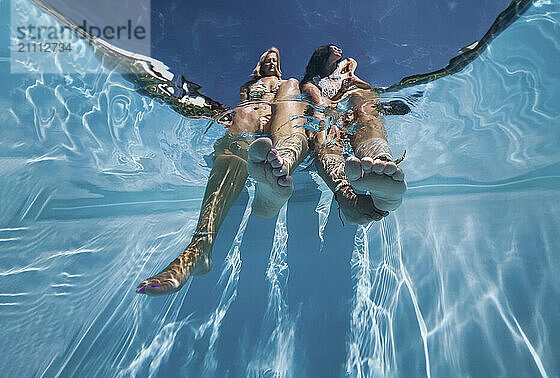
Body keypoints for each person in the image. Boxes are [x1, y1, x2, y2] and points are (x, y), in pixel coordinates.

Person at [136, 47, 308, 296]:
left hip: (282, 124)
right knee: (246, 113)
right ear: (261, 65)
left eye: (275, 61)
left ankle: (281, 163)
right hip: (253, 125)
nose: (272, 64)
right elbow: (242, 108)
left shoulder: (285, 83)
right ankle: (200, 246)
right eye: (267, 61)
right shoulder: (249, 85)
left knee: (292, 85)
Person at [300, 45, 407, 224]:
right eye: (333, 48)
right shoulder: (313, 83)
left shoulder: (347, 71)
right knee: (325, 137)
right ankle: (347, 197)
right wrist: (342, 95)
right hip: (333, 115)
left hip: (352, 112)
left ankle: (379, 160)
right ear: (322, 56)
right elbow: (320, 104)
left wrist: (354, 84)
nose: (339, 48)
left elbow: (369, 91)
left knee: (366, 113)